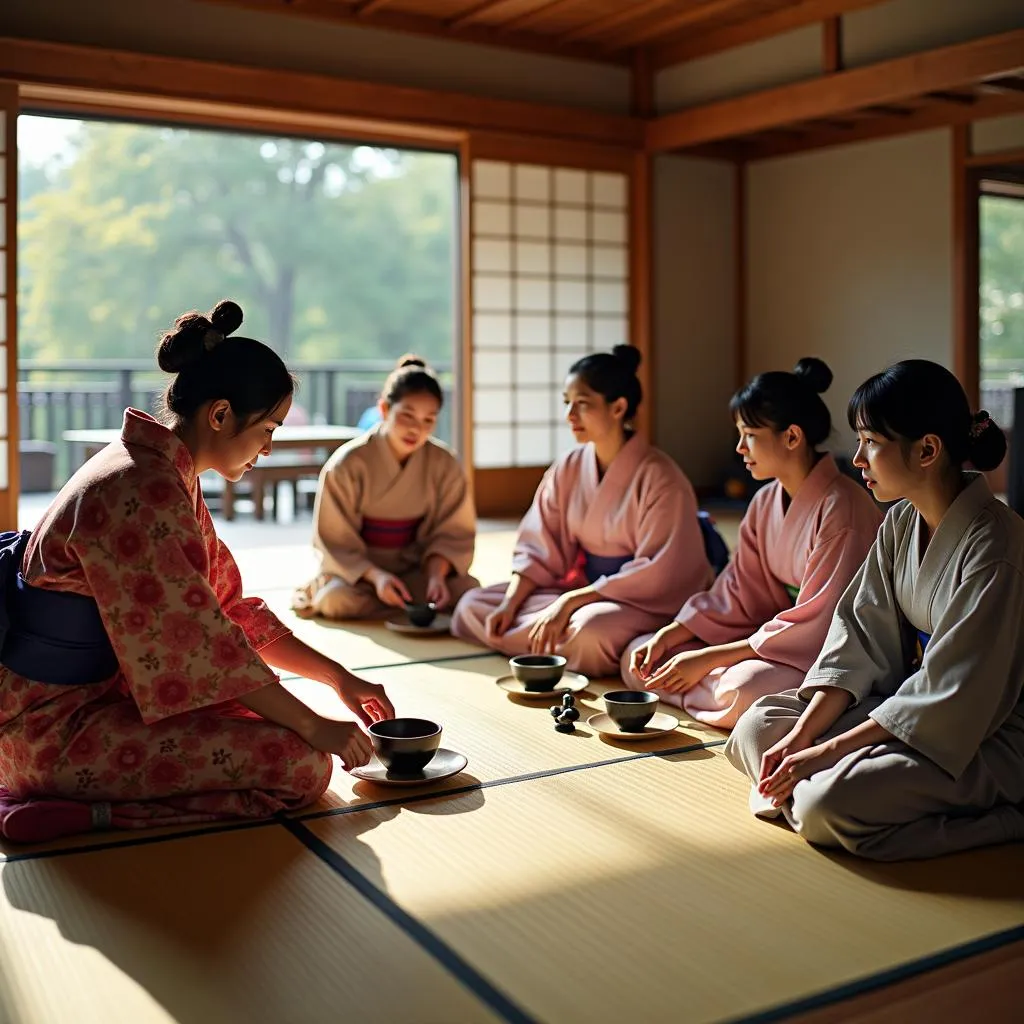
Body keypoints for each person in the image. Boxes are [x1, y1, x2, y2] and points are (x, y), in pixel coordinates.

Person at [0, 300, 395, 844]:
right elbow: (201, 647)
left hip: (98, 700)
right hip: (52, 730)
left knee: (272, 720)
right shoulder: (143, 488)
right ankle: (78, 811)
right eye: (268, 430)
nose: (268, 447)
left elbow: (228, 612)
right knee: (300, 765)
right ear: (220, 414)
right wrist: (311, 722)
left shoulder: (158, 469)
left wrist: (337, 679)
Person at [726, 360, 1024, 861]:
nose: (857, 459)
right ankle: (821, 789)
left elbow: (952, 694)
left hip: (983, 730)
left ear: (927, 449)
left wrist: (825, 752)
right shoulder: (901, 521)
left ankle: (1006, 819)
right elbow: (857, 641)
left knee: (827, 801)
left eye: (870, 442)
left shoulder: (997, 545)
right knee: (758, 727)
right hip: (908, 707)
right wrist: (801, 739)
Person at [623, 359, 881, 729]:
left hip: (827, 654)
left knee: (743, 690)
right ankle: (696, 688)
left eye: (750, 435)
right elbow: (737, 590)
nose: (740, 448)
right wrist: (671, 634)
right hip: (774, 641)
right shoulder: (764, 502)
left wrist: (708, 659)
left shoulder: (844, 510)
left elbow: (820, 626)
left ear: (792, 437)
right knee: (640, 653)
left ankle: (693, 690)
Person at [451, 345, 712, 679]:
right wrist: (511, 604)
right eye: (567, 403)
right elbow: (539, 546)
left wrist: (570, 603)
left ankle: (550, 641)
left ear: (618, 407)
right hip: (584, 594)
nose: (569, 415)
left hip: (641, 601)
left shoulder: (662, 478)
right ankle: (551, 640)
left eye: (583, 404)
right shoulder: (570, 467)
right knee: (471, 607)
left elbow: (659, 574)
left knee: (590, 633)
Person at [292, 356, 477, 620]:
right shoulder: (347, 464)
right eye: (407, 415)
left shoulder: (444, 463)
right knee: (336, 600)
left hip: (416, 570)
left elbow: (452, 533)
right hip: (361, 575)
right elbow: (336, 541)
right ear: (384, 409)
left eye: (428, 420)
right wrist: (377, 577)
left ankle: (407, 601)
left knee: (467, 591)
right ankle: (406, 605)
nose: (417, 428)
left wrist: (437, 576)